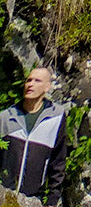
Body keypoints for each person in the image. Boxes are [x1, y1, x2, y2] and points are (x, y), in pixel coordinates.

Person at [0, 63, 68, 205]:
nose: (30, 84)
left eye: (37, 81)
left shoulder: (56, 118)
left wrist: (52, 200)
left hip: (33, 200)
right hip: (5, 196)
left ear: (47, 87)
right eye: (28, 80)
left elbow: (58, 162)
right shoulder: (6, 117)